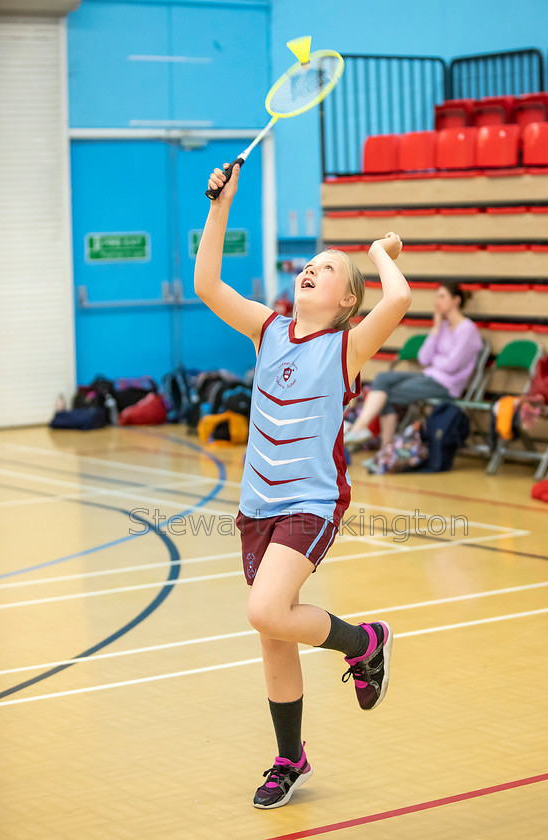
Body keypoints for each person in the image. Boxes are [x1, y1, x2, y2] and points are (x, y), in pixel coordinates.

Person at [194, 161, 412, 810]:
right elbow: (206, 283)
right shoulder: (269, 329)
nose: (310, 270)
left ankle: (365, 641)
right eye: (307, 265)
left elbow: (396, 300)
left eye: (327, 268)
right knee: (275, 632)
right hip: (255, 507)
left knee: (266, 611)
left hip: (310, 504)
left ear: (348, 299)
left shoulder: (345, 347)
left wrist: (375, 255)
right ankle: (290, 758)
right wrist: (220, 205)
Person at [344, 282, 482, 449]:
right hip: (429, 376)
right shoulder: (443, 327)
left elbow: (451, 366)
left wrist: (436, 360)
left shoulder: (467, 330)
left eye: (442, 296)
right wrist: (436, 329)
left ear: (456, 300)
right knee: (382, 379)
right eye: (436, 296)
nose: (436, 301)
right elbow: (424, 358)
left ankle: (369, 436)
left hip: (445, 386)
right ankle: (369, 435)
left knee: (385, 395)